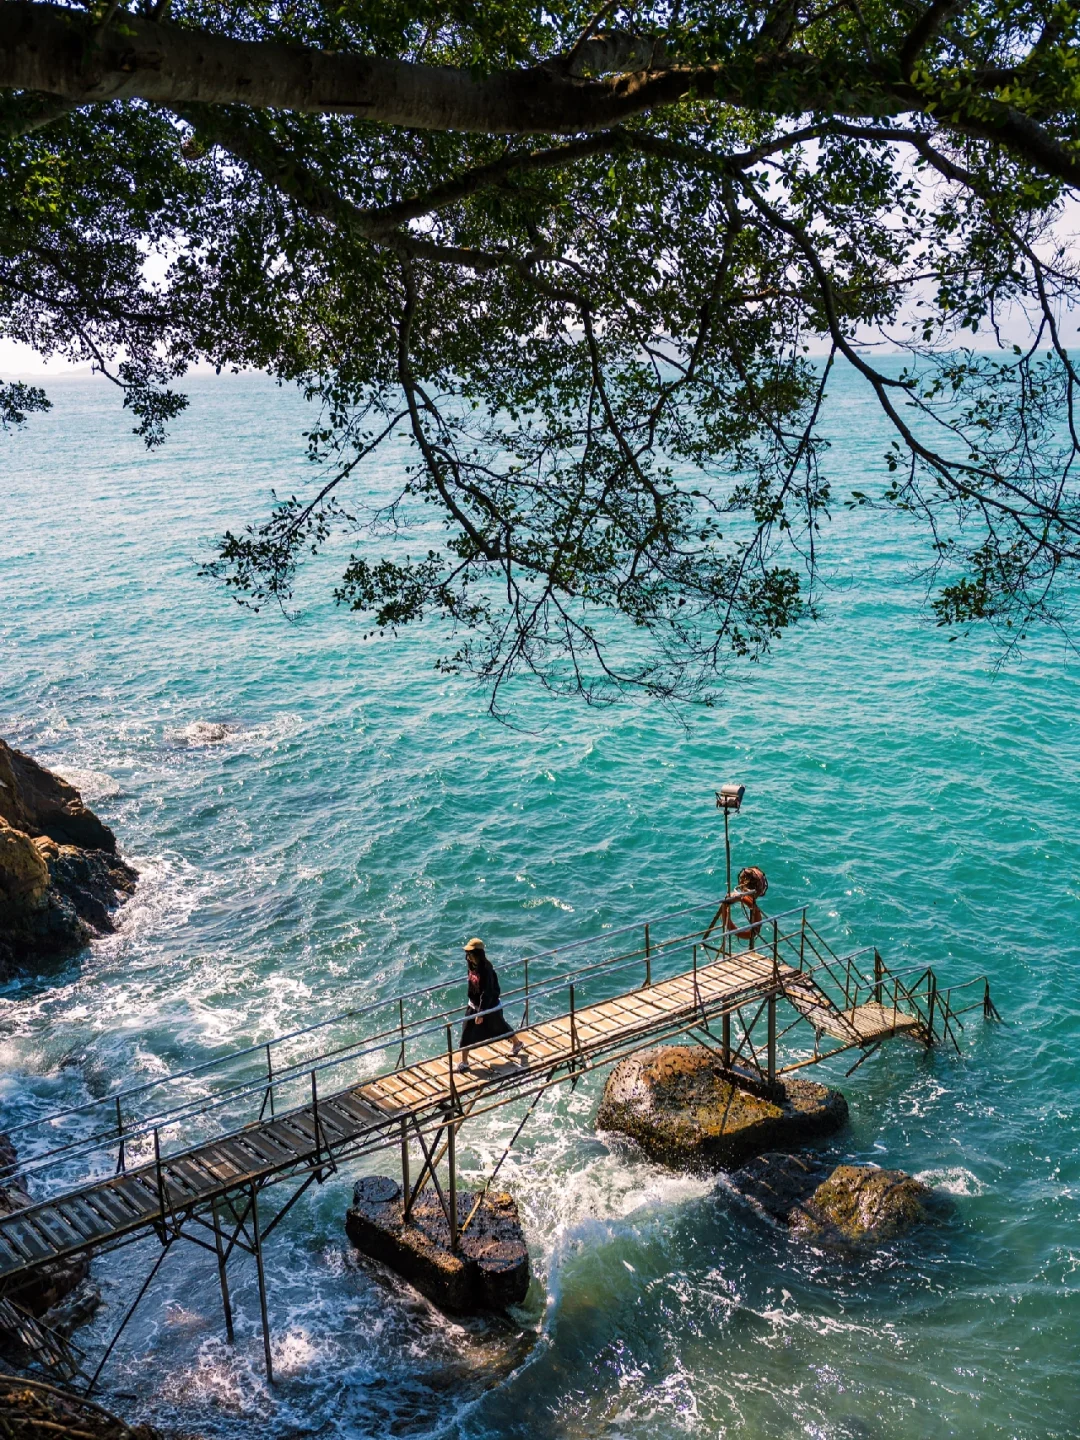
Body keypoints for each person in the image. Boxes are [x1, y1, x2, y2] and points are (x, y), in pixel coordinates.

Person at [458, 938, 514, 1068]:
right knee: (466, 1032)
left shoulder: (486, 970)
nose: (467, 957)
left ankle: (516, 1043)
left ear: (478, 954)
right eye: (467, 954)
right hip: (473, 1004)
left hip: (489, 1005)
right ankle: (465, 1061)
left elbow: (487, 992)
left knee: (500, 1027)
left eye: (470, 954)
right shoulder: (471, 967)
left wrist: (481, 1012)